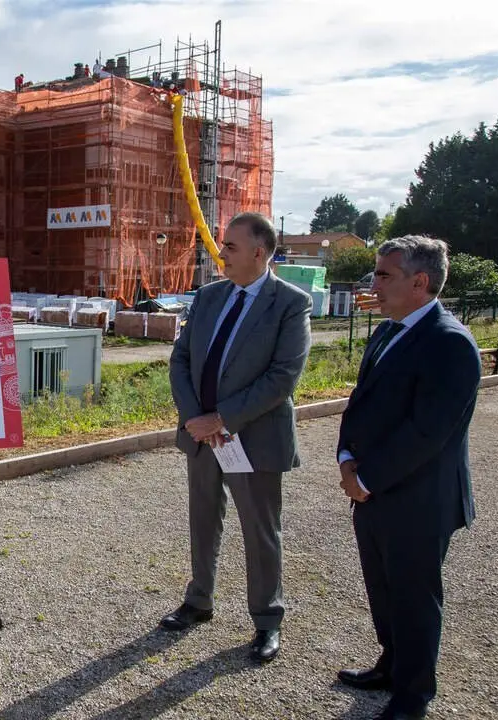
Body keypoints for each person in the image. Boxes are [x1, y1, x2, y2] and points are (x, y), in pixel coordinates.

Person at [335, 236, 480, 720]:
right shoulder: (387, 331)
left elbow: (427, 432)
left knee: (415, 596)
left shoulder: (449, 342)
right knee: (383, 587)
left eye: (382, 275)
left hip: (419, 499)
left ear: (419, 282)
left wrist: (367, 476)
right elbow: (362, 403)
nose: (372, 284)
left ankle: (413, 694)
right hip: (373, 490)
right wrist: (347, 456)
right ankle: (391, 663)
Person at [164, 212, 312, 663]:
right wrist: (196, 419)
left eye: (229, 246)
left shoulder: (290, 303)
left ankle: (267, 620)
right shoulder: (209, 297)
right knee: (203, 520)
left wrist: (222, 419)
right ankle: (198, 600)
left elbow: (282, 378)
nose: (221, 253)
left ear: (258, 253)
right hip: (202, 436)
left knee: (260, 530)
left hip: (252, 436)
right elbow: (180, 359)